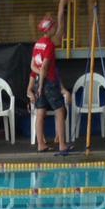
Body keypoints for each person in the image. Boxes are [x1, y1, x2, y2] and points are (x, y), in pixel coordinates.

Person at [29, 15, 70, 155]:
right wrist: (41, 84)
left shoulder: (37, 44)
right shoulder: (49, 45)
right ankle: (62, 145)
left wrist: (39, 79)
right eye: (53, 26)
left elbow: (33, 66)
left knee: (40, 113)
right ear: (49, 29)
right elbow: (45, 67)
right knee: (60, 111)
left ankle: (41, 144)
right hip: (49, 82)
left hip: (38, 81)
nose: (55, 28)